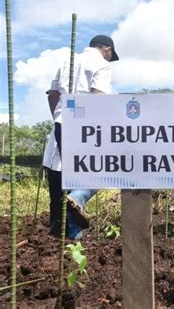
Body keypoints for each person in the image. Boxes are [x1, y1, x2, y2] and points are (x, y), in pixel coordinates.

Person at [43, 35, 119, 240]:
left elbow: (53, 96)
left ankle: (60, 234)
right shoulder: (102, 65)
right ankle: (78, 198)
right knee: (100, 168)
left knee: (64, 177)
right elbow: (98, 99)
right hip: (85, 125)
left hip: (61, 123)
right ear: (107, 50)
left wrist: (58, 118)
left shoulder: (67, 61)